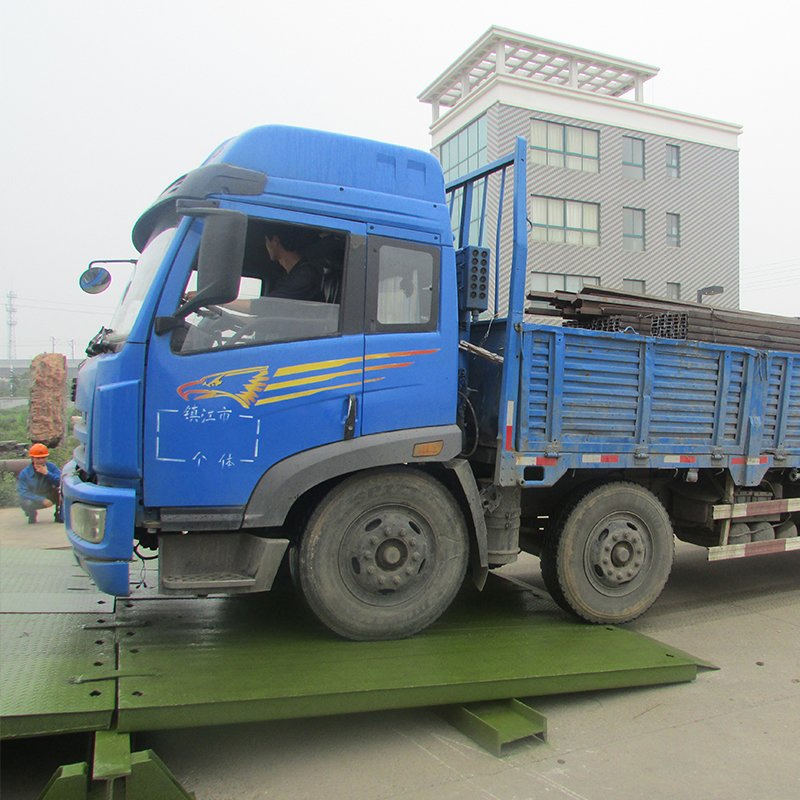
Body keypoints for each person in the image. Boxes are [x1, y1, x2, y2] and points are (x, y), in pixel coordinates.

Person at [263, 224, 324, 302]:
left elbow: (272, 303)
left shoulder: (305, 275)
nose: (266, 246)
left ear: (275, 241)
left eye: (266, 241)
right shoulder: (289, 275)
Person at [17, 443, 62, 524]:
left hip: (50, 495)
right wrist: (42, 500)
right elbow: (23, 492)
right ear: (32, 459)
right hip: (35, 498)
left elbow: (61, 482)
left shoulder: (52, 467)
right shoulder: (25, 473)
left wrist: (47, 473)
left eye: (43, 457)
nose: (41, 460)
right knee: (26, 502)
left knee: (62, 492)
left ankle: (59, 515)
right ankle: (32, 514)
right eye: (38, 458)